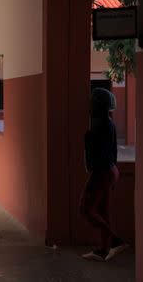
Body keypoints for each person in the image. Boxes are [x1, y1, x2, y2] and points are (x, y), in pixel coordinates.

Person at [80, 87, 127, 261]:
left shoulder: (99, 124)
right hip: (111, 170)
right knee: (103, 211)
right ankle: (102, 249)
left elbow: (96, 153)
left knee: (85, 208)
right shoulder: (109, 122)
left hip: (102, 171)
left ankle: (115, 240)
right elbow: (112, 152)